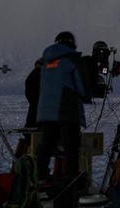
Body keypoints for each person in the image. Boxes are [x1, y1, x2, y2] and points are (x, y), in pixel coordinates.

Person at [35, 31, 90, 181]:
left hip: (45, 112)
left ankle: (39, 178)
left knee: (46, 147)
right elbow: (82, 86)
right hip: (66, 110)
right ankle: (69, 181)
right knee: (71, 148)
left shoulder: (46, 62)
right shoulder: (72, 59)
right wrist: (87, 96)